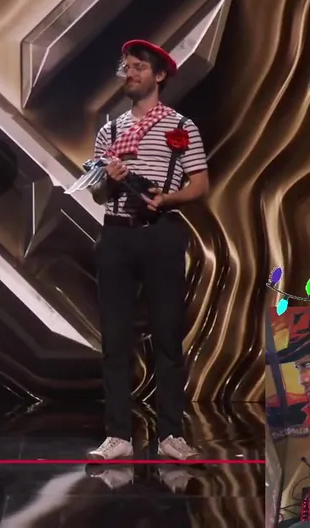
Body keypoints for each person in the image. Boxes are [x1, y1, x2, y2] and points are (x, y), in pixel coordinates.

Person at [85, 39, 210, 463]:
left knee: (168, 336)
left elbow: (200, 184)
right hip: (117, 235)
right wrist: (109, 178)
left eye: (139, 66)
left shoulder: (181, 126)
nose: (130, 73)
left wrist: (167, 199)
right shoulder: (110, 131)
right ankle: (118, 435)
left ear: (159, 75)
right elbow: (98, 194)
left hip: (161, 233)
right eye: (127, 66)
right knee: (115, 338)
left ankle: (171, 435)